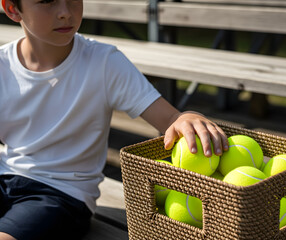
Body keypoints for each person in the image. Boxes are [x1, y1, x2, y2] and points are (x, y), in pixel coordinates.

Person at [0, 0, 229, 239]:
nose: (65, 13)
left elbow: (170, 118)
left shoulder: (104, 62)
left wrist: (187, 118)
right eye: (47, 1)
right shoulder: (3, 64)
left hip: (61, 195)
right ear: (13, 9)